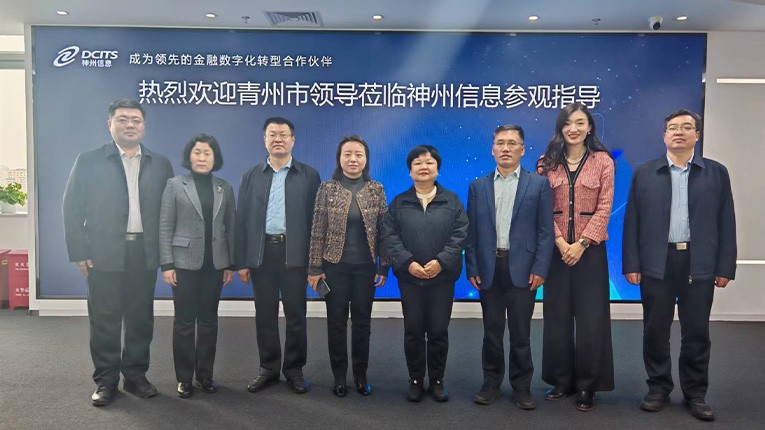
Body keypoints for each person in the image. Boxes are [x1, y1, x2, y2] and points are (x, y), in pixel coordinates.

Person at [623, 109, 736, 422]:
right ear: (664, 136)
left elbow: (726, 221)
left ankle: (695, 393)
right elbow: (632, 221)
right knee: (655, 330)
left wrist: (725, 266)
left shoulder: (716, 173)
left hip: (698, 263)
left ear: (697, 135)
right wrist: (631, 263)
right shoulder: (645, 173)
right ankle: (658, 388)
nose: (679, 132)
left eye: (687, 127)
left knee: (697, 331)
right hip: (656, 262)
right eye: (673, 127)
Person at [63, 99, 174, 406]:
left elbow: (169, 213)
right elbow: (72, 209)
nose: (129, 125)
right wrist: (78, 251)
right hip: (103, 252)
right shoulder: (89, 161)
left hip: (144, 252)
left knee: (140, 318)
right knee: (105, 319)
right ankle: (106, 380)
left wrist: (167, 256)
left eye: (136, 120)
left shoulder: (160, 163)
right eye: (122, 119)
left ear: (144, 126)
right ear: (109, 124)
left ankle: (136, 376)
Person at [465, 125, 554, 409]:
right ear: (492, 149)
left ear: (522, 149)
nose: (506, 148)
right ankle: (491, 383)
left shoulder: (538, 184)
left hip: (524, 270)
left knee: (520, 334)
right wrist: (472, 267)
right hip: (489, 269)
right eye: (500, 143)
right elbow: (471, 233)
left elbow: (545, 232)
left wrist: (540, 268)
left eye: (512, 143)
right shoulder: (478, 187)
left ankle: (522, 387)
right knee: (491, 332)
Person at [537, 102, 615, 411]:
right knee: (556, 318)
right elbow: (542, 207)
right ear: (560, 127)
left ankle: (587, 385)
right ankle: (561, 380)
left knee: (591, 320)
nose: (574, 128)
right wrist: (560, 242)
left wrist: (581, 244)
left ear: (589, 127)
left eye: (580, 122)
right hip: (556, 252)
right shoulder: (547, 162)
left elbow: (605, 206)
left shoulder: (603, 161)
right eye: (568, 123)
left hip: (590, 251)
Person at [235, 117, 320, 394]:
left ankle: (294, 369)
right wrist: (242, 261)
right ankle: (268, 368)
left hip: (294, 254)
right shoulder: (251, 175)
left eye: (283, 134)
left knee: (296, 315)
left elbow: (316, 222)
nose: (278, 139)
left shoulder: (309, 175)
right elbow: (242, 219)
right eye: (272, 134)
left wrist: (314, 263)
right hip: (262, 254)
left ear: (293, 140)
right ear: (265, 140)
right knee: (265, 314)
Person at [382, 145, 468, 403]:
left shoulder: (452, 201)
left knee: (439, 330)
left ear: (437, 169)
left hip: (442, 279)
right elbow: (390, 236)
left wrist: (440, 262)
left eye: (429, 162)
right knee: (413, 330)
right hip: (410, 279)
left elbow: (461, 234)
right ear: (410, 171)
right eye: (417, 163)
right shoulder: (399, 203)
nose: (423, 167)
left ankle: (437, 380)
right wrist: (408, 263)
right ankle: (416, 379)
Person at [307, 136, 390, 398]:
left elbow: (384, 231)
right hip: (334, 268)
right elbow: (317, 230)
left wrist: (383, 267)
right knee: (336, 323)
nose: (353, 159)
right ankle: (340, 377)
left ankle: (361, 376)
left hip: (366, 269)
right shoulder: (327, 189)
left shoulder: (376, 189)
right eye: (347, 154)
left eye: (358, 154)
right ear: (339, 158)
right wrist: (314, 267)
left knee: (362, 323)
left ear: (366, 159)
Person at [159, 134, 236, 398]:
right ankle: (184, 378)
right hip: (183, 263)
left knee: (209, 321)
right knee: (183, 322)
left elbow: (230, 226)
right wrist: (167, 263)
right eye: (197, 152)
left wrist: (230, 264)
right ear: (189, 156)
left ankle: (205, 376)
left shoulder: (224, 187)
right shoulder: (174, 185)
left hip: (215, 264)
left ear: (215, 158)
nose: (202, 158)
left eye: (207, 153)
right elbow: (165, 225)